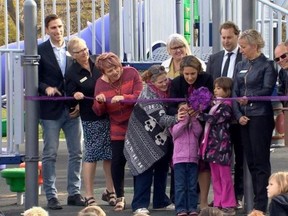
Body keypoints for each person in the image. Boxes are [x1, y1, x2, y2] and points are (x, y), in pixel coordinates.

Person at [38, 14, 85, 210]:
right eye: (53, 28)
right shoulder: (40, 50)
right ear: (47, 30)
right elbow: (32, 77)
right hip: (50, 111)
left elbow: (83, 74)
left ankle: (74, 193)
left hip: (72, 109)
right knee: (50, 153)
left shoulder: (72, 48)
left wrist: (79, 102)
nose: (58, 31)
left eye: (59, 27)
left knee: (77, 152)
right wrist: (45, 87)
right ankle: (51, 196)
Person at [124, 65, 181, 215]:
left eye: (165, 80)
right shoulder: (148, 94)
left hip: (161, 137)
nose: (164, 84)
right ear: (152, 82)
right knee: (145, 168)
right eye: (160, 82)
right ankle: (139, 205)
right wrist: (177, 118)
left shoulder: (168, 89)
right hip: (142, 137)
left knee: (162, 168)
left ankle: (160, 201)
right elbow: (161, 118)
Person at [232, 29, 277, 215]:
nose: (240, 50)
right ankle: (255, 203)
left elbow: (267, 90)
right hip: (244, 118)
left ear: (254, 46)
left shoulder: (267, 65)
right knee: (249, 161)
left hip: (260, 117)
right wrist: (238, 114)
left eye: (243, 47)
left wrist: (248, 98)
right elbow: (234, 92)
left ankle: (260, 205)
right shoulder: (240, 65)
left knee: (260, 162)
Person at [65, 37, 115, 206]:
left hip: (109, 114)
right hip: (90, 117)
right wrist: (75, 97)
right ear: (73, 55)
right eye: (80, 51)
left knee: (109, 154)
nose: (85, 53)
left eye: (85, 49)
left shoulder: (97, 62)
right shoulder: (72, 73)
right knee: (92, 154)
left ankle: (111, 190)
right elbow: (69, 100)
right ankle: (88, 194)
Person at [92, 52, 143, 211]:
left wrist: (123, 97)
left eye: (116, 68)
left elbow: (140, 95)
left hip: (136, 124)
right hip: (117, 127)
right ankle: (120, 197)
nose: (115, 72)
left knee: (137, 163)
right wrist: (99, 102)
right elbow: (98, 111)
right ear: (103, 73)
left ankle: (139, 199)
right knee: (117, 163)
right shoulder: (100, 84)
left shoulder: (132, 73)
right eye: (110, 71)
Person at [205, 21, 244, 209]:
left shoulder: (244, 57)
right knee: (219, 166)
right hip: (218, 126)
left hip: (238, 118)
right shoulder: (214, 59)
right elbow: (208, 87)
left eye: (230, 37)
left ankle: (238, 195)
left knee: (240, 158)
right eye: (223, 37)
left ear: (237, 36)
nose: (226, 41)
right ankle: (221, 199)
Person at [168, 55, 213, 210]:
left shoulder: (207, 79)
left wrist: (199, 109)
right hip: (182, 130)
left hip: (202, 125)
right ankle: (179, 202)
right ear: (181, 72)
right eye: (186, 74)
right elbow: (170, 106)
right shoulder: (176, 83)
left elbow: (211, 101)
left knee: (203, 164)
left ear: (198, 71)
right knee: (180, 167)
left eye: (193, 74)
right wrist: (180, 109)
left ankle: (203, 201)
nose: (189, 77)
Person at [198, 77, 236, 215]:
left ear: (227, 90)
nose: (216, 90)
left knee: (224, 175)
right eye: (215, 88)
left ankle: (229, 203)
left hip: (222, 145)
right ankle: (218, 201)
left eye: (219, 88)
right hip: (212, 144)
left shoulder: (226, 105)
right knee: (215, 176)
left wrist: (201, 114)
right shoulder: (214, 104)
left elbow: (215, 119)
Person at [169, 97, 204, 215]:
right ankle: (181, 208)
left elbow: (198, 132)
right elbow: (175, 133)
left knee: (192, 185)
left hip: (193, 159)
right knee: (180, 186)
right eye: (182, 110)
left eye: (187, 109)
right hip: (179, 160)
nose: (185, 112)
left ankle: (192, 208)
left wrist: (193, 118)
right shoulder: (175, 124)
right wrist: (183, 121)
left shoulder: (193, 124)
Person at [274, 42, 288, 106]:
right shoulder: (282, 72)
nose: (280, 60)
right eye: (277, 59)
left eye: (283, 56)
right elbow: (280, 93)